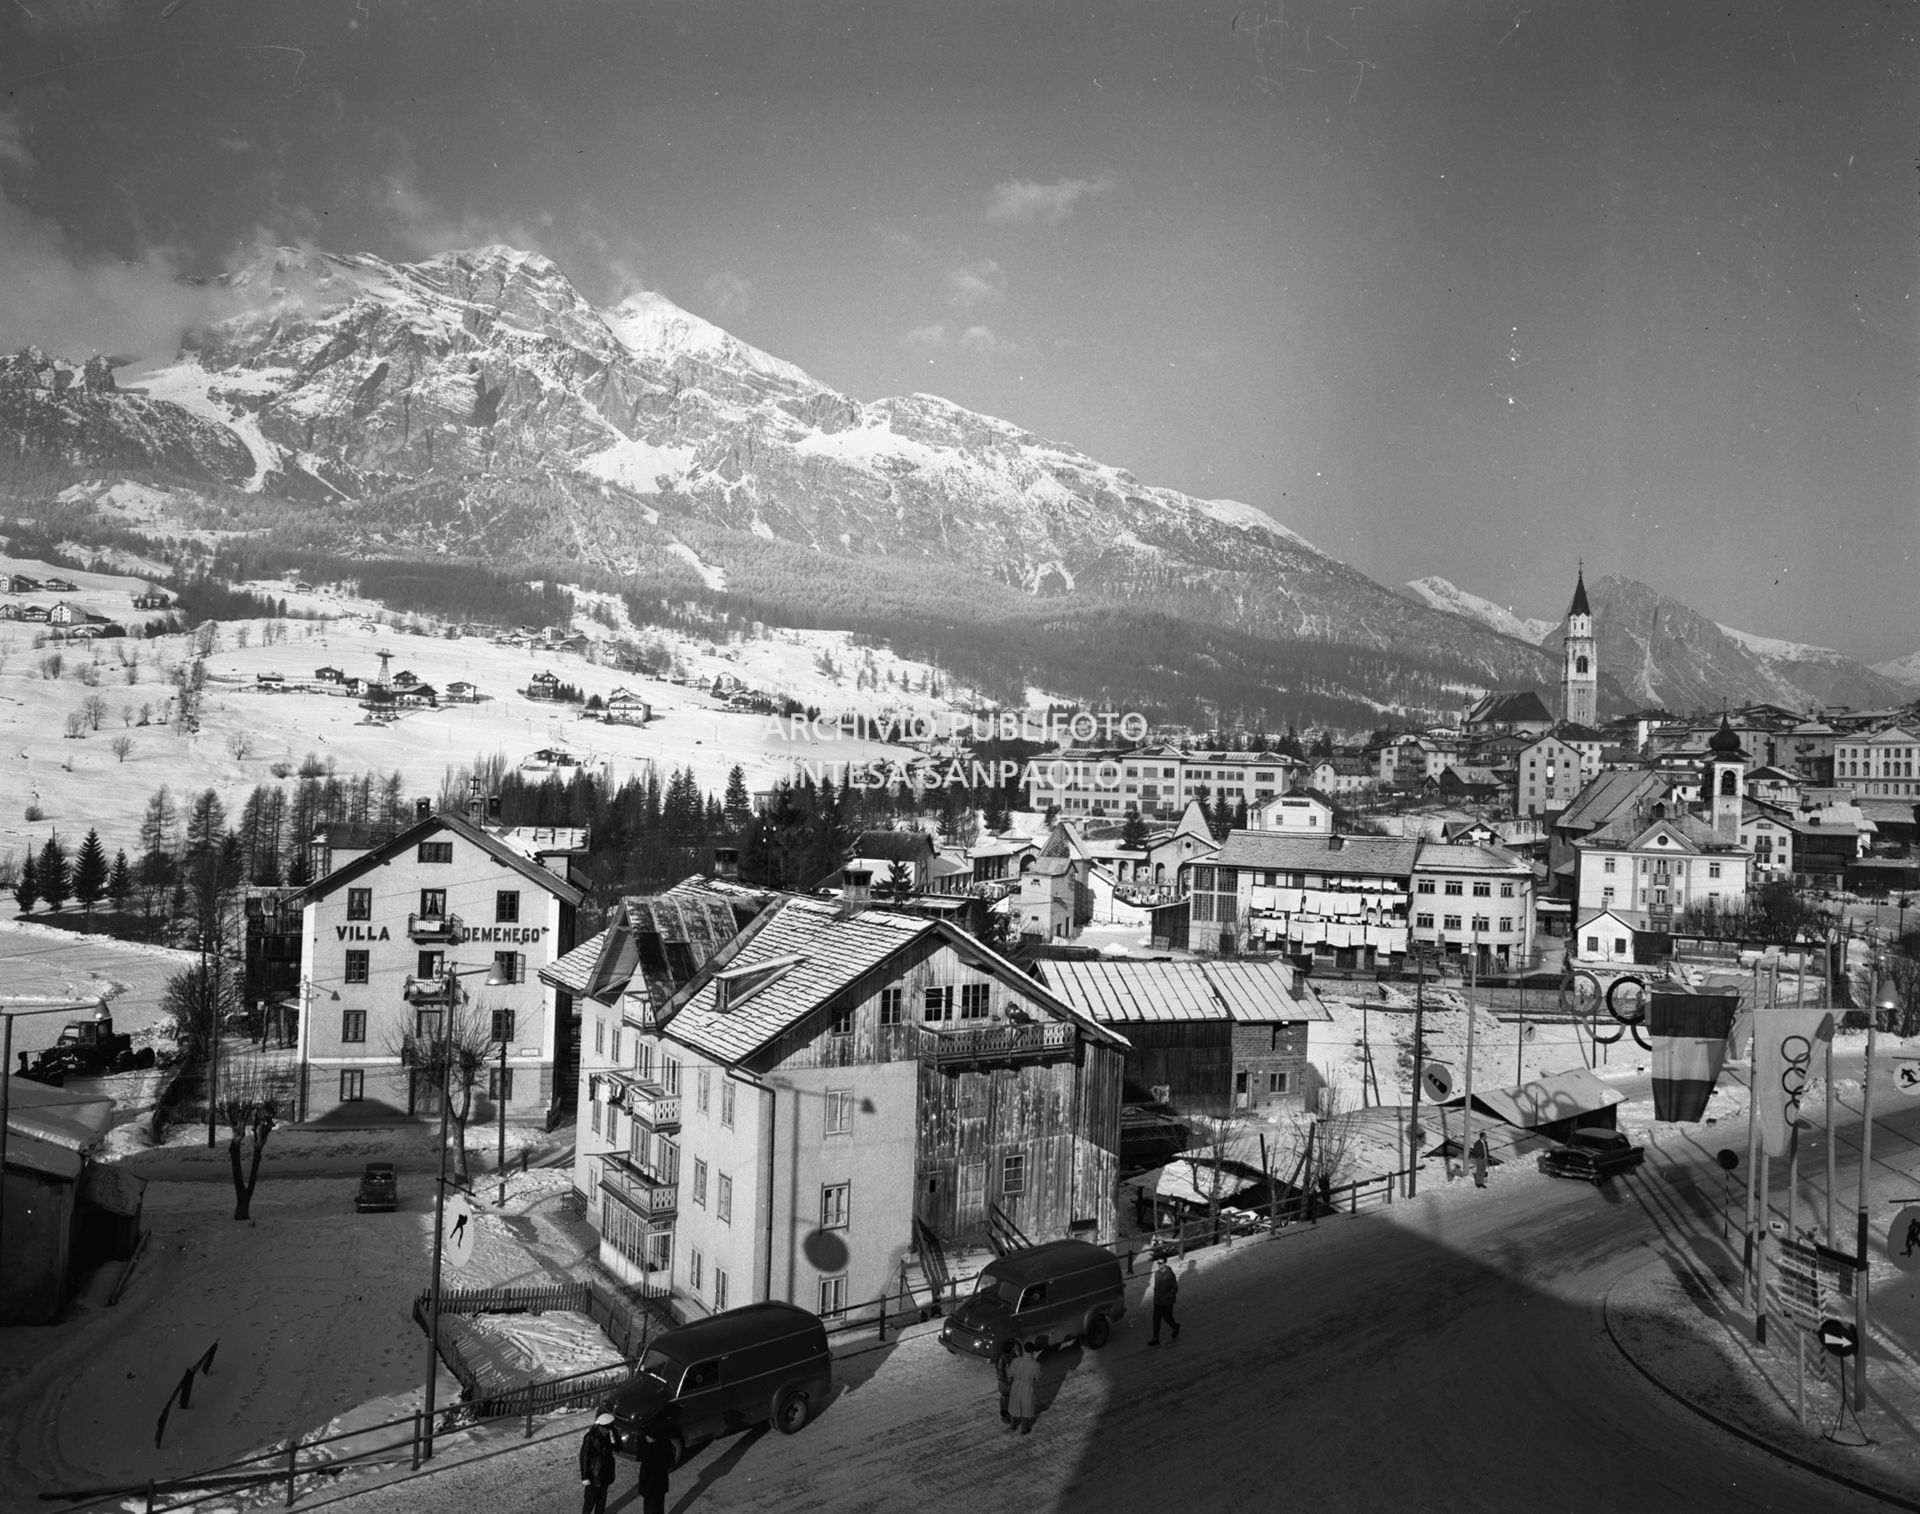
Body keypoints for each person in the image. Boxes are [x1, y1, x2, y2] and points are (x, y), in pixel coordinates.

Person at [579, 1412, 618, 1514]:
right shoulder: (590, 1437)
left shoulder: (611, 1434)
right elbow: (584, 1457)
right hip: (594, 1474)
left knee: (602, 1500)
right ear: (602, 1427)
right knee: (590, 1501)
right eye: (607, 1428)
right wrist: (585, 1476)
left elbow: (618, 1448)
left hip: (605, 1473)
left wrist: (615, 1441)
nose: (608, 1430)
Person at [635, 1423, 674, 1514]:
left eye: (648, 1436)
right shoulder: (665, 1444)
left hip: (650, 1486)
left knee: (650, 1508)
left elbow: (645, 1470)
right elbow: (670, 1460)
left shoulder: (649, 1450)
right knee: (659, 1506)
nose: (646, 1438)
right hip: (661, 1483)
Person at [1006, 1340, 1043, 1434]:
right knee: (1026, 1409)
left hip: (1016, 1386)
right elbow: (1038, 1378)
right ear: (1033, 1351)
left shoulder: (1016, 1361)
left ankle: (1012, 1426)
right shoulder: (1035, 1365)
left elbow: (1010, 1373)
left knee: (1014, 1406)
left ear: (1024, 1349)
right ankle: (1024, 1429)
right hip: (1028, 1387)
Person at [1148, 1256, 1180, 1346]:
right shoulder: (1157, 1273)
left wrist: (1166, 1297)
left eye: (1161, 1263)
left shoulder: (1169, 1275)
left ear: (1165, 1263)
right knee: (1156, 1320)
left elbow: (1175, 1288)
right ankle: (1155, 1338)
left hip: (1167, 1302)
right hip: (1158, 1301)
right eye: (1158, 1263)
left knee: (1167, 1318)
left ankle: (1175, 1327)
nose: (1159, 1265)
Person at [994, 1336, 1017, 1424]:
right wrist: (1009, 1384)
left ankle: (1006, 1415)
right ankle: (1006, 1416)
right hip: (1006, 1383)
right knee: (1006, 1398)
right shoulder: (1005, 1360)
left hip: (1004, 1383)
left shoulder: (1003, 1357)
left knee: (1005, 1398)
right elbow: (1002, 1373)